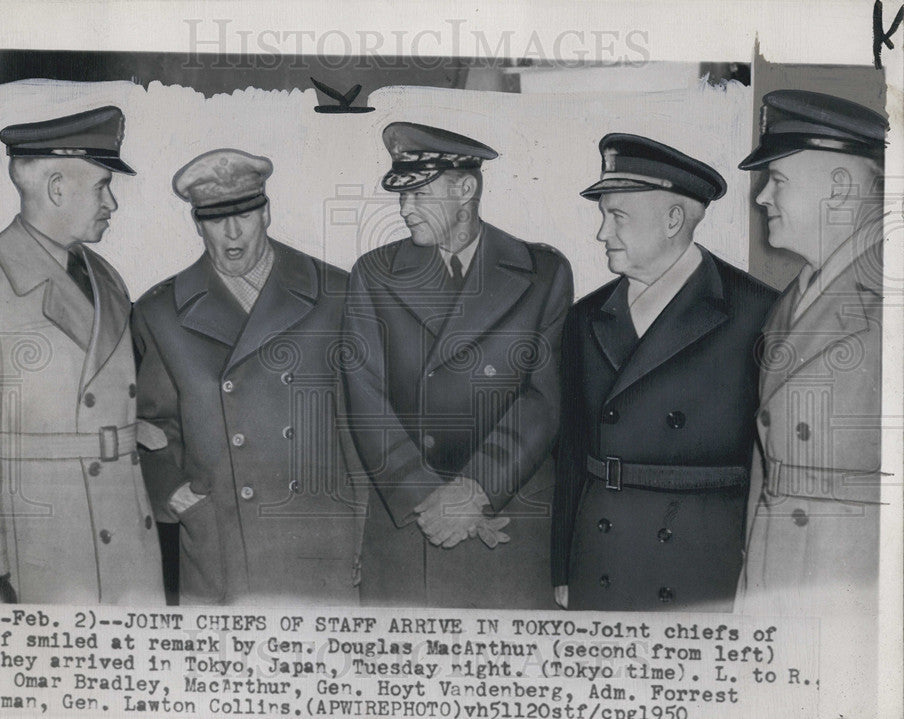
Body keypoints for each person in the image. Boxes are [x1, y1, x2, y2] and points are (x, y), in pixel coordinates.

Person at [0, 106, 164, 604]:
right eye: (102, 186)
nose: (112, 203)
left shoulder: (107, 278)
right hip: (39, 554)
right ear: (57, 187)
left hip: (127, 542)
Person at [341, 122, 573, 608]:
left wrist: (476, 490)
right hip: (410, 517)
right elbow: (365, 397)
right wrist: (429, 499)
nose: (405, 210)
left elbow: (542, 400)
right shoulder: (374, 273)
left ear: (466, 189)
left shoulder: (542, 272)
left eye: (420, 195)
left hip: (500, 515)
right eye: (401, 197)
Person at [552, 134, 777, 612]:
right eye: (603, 215)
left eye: (619, 217)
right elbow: (570, 452)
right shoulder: (585, 316)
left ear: (673, 220)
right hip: (601, 555)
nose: (602, 234)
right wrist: (562, 568)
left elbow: (771, 464)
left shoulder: (757, 312)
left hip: (702, 564)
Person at [132, 148, 363, 605]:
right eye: (216, 219)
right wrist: (178, 497)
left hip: (323, 547)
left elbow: (367, 426)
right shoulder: (160, 312)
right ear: (198, 224)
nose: (233, 233)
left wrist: (364, 530)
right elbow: (152, 430)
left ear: (267, 212)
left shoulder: (336, 293)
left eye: (245, 215)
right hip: (222, 545)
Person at [735, 90, 886, 714]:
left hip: (854, 592)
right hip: (781, 578)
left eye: (777, 178)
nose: (763, 196)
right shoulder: (790, 300)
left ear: (842, 187)